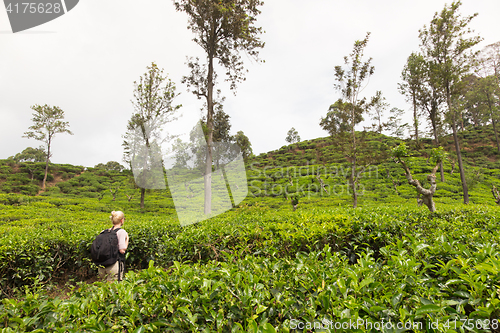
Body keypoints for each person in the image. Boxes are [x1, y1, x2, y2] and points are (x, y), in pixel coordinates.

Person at [98, 210, 129, 281]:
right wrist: (127, 240)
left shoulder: (104, 231)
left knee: (103, 289)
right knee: (113, 290)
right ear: (121, 220)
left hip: (102, 266)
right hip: (114, 266)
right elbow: (122, 250)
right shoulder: (121, 232)